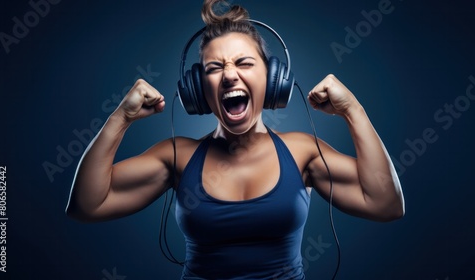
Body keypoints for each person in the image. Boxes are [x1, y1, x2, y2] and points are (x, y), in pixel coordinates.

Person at [66, 0, 405, 279]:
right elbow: (87, 206)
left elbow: (385, 204)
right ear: (199, 90)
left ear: (273, 79)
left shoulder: (302, 152)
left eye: (244, 63)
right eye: (215, 68)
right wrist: (120, 118)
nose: (229, 75)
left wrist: (353, 111)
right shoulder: (177, 157)